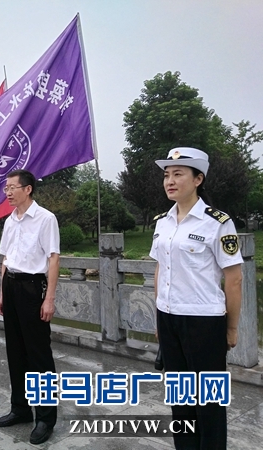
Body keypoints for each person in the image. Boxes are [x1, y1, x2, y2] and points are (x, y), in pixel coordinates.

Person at [150, 147, 243, 449]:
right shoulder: (162, 222)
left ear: (198, 179)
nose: (170, 181)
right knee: (180, 398)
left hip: (204, 321)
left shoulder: (218, 222)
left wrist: (231, 327)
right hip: (169, 317)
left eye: (178, 174)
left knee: (209, 403)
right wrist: (158, 315)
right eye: (166, 175)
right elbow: (160, 270)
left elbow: (234, 278)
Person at [0, 169, 60, 445]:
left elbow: (54, 259)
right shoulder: (10, 221)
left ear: (28, 189)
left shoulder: (45, 218)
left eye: (12, 187)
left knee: (39, 356)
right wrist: (1, 294)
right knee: (16, 352)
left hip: (34, 288)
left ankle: (45, 418)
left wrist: (49, 298)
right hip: (11, 286)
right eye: (5, 188)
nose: (7, 192)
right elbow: (6, 260)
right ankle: (20, 408)